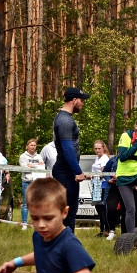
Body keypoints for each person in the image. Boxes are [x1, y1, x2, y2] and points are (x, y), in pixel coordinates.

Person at [52, 87, 90, 230]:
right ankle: (62, 249)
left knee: (69, 213)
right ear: (74, 100)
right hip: (66, 172)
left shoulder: (65, 118)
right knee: (65, 215)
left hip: (67, 172)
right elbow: (67, 148)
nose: (82, 103)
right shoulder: (65, 120)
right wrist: (77, 171)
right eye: (81, 100)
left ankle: (67, 248)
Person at [19, 138, 46, 231]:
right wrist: (36, 166)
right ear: (27, 146)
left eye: (34, 145)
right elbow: (25, 168)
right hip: (27, 182)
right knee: (26, 203)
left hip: (37, 182)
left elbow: (43, 167)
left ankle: (37, 222)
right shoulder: (23, 156)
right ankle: (24, 223)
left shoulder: (38, 156)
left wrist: (32, 166)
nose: (33, 147)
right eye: (31, 145)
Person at [90, 140, 111, 236]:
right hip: (96, 184)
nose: (97, 150)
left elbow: (104, 173)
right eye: (96, 148)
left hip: (102, 185)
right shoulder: (97, 158)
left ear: (103, 148)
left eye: (99, 148)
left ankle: (106, 229)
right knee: (98, 207)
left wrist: (92, 176)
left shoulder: (104, 159)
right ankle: (102, 229)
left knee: (102, 208)